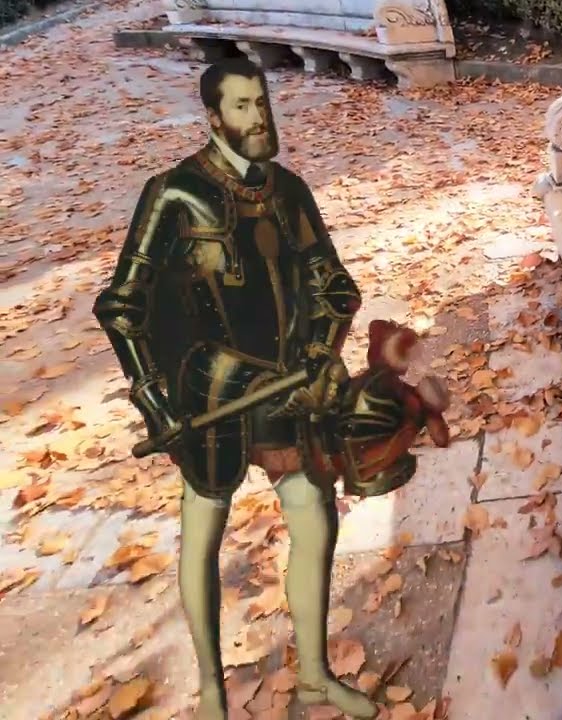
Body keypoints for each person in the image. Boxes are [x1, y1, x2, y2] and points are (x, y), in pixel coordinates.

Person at [93, 57, 377, 720]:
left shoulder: (290, 191)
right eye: (245, 106)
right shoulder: (173, 194)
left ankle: (313, 675)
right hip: (211, 395)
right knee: (205, 532)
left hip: (285, 392)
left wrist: (319, 351)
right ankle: (212, 693)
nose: (260, 117)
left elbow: (333, 282)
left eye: (263, 102)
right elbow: (122, 305)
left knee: (315, 522)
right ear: (214, 116)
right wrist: (154, 400)